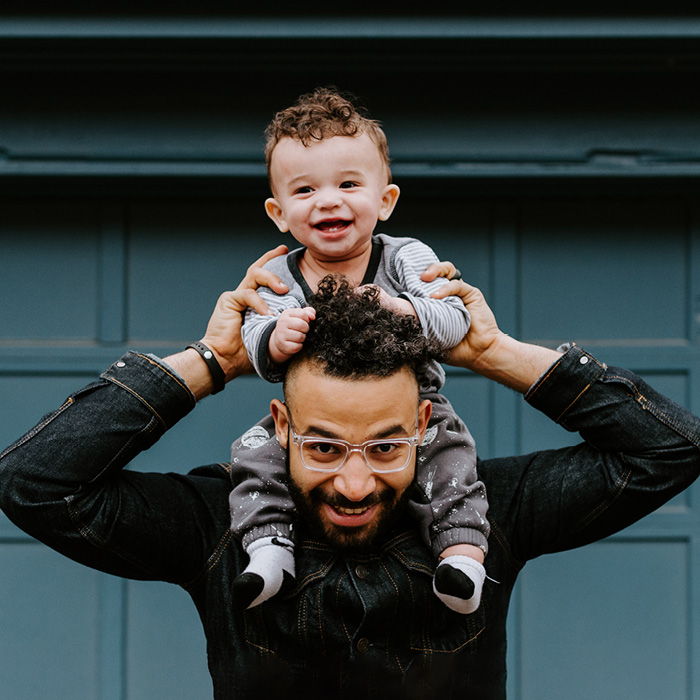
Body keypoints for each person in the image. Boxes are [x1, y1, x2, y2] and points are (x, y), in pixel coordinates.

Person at [0, 246, 698, 700]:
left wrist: (492, 352)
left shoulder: (487, 512)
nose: (356, 485)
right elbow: (35, 482)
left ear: (425, 427)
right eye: (325, 448)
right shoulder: (218, 523)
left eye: (387, 448)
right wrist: (212, 362)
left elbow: (668, 449)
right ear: (280, 426)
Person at [229, 86, 488, 614]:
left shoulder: (406, 258)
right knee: (253, 454)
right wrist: (274, 339)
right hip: (312, 418)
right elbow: (254, 341)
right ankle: (268, 548)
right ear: (279, 213)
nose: (328, 200)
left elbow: (453, 319)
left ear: (385, 200)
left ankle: (461, 556)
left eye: (348, 184)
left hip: (417, 405)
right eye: (305, 191)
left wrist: (403, 310)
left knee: (452, 456)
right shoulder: (277, 273)